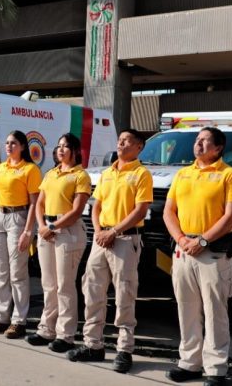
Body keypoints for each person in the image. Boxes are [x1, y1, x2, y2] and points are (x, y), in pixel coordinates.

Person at [163, 127, 232, 385]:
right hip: (183, 251)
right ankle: (189, 363)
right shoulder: (183, 174)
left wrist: (202, 240)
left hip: (213, 253)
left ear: (218, 148)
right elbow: (169, 211)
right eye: (197, 140)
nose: (198, 144)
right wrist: (181, 240)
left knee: (214, 311)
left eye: (204, 141)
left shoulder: (229, 175)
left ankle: (216, 369)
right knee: (186, 309)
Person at [68, 129, 152, 373]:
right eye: (119, 140)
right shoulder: (107, 173)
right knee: (92, 290)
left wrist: (113, 231)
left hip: (125, 239)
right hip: (101, 239)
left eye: (126, 141)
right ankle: (93, 344)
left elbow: (140, 210)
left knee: (125, 293)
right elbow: (96, 206)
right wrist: (99, 231)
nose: (120, 144)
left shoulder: (141, 174)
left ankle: (124, 349)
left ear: (139, 147)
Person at [28, 133, 91, 353]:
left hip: (67, 231)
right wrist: (42, 226)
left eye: (66, 146)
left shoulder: (80, 175)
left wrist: (53, 227)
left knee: (65, 285)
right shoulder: (51, 173)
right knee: (49, 284)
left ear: (75, 151)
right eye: (59, 146)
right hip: (46, 229)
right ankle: (47, 329)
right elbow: (40, 203)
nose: (61, 150)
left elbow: (77, 210)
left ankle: (66, 334)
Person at [0, 131, 41, 339]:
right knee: (1, 271)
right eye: (7, 143)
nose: (9, 146)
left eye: (13, 143)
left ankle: (18, 320)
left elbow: (34, 202)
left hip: (18, 217)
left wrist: (28, 231)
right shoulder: (1, 168)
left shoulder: (30, 169)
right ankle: (1, 316)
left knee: (17, 272)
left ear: (23, 146)